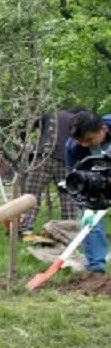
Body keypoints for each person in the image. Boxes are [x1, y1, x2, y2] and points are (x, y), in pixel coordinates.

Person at [64, 109, 111, 274]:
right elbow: (75, 178)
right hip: (98, 182)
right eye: (80, 141)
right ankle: (97, 268)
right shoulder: (72, 147)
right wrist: (83, 204)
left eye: (89, 139)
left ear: (103, 129)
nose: (84, 144)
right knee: (91, 219)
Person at [19, 109, 79, 233]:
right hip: (65, 159)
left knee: (32, 193)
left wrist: (25, 142)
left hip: (43, 156)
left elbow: (28, 125)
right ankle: (70, 230)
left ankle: (25, 228)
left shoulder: (51, 114)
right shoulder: (78, 120)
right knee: (68, 196)